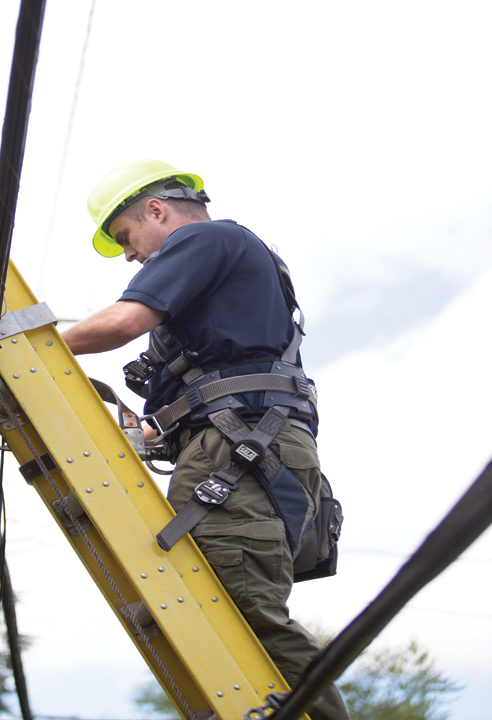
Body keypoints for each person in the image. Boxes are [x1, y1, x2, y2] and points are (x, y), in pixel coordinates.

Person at [62, 159, 349, 720]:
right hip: (239, 445)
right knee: (223, 602)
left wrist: (23, 348)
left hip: (242, 451)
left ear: (156, 210)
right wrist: (148, 430)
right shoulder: (224, 276)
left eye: (126, 237)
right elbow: (219, 385)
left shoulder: (207, 239)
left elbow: (123, 322)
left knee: (235, 605)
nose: (129, 254)